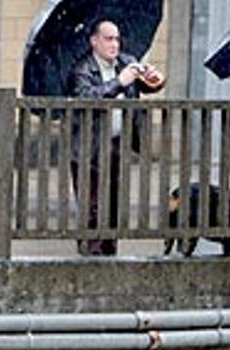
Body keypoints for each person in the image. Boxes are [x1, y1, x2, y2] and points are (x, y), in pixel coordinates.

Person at [70, 20, 163, 256]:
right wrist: (119, 82)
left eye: (117, 39)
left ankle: (110, 253)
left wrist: (154, 77)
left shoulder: (127, 61)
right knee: (91, 208)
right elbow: (89, 97)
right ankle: (91, 255)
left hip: (117, 144)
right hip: (88, 148)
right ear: (94, 41)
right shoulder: (82, 69)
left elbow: (150, 86)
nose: (114, 45)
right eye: (108, 39)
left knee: (113, 205)